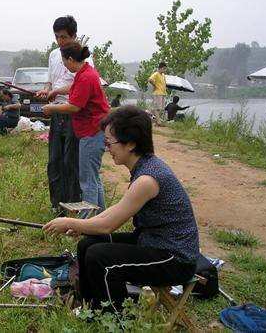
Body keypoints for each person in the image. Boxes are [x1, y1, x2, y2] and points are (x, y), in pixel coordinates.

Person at [43, 106, 200, 312]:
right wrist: (84, 226)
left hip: (175, 258)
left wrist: (70, 222)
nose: (107, 147)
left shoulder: (147, 179)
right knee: (87, 245)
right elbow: (117, 210)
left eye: (110, 142)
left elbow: (108, 225)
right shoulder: (144, 167)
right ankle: (90, 305)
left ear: (132, 143)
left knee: (101, 257)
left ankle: (115, 318)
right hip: (152, 241)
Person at [42, 42, 109, 215]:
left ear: (71, 59)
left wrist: (51, 108)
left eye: (64, 63)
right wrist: (55, 92)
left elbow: (74, 107)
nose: (64, 66)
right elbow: (73, 88)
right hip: (93, 132)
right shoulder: (84, 72)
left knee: (87, 181)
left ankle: (86, 224)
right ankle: (101, 218)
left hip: (92, 133)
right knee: (94, 179)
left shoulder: (86, 77)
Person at [35, 16, 84, 213]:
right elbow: (50, 81)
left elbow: (82, 84)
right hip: (56, 113)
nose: (60, 41)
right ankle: (56, 205)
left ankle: (72, 206)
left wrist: (56, 92)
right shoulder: (54, 55)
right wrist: (46, 91)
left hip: (73, 113)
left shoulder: (83, 55)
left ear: (74, 35)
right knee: (54, 161)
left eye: (64, 37)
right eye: (57, 37)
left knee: (70, 162)